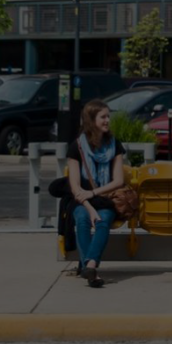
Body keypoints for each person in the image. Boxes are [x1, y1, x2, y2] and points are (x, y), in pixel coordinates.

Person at [66, 99, 123, 287]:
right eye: (103, 117)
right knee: (82, 219)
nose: (107, 120)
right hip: (81, 201)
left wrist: (93, 193)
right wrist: (89, 207)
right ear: (91, 120)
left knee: (103, 220)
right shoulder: (76, 146)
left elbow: (118, 181)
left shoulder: (115, 145)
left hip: (105, 198)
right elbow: (75, 186)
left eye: (108, 116)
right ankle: (91, 271)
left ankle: (89, 265)